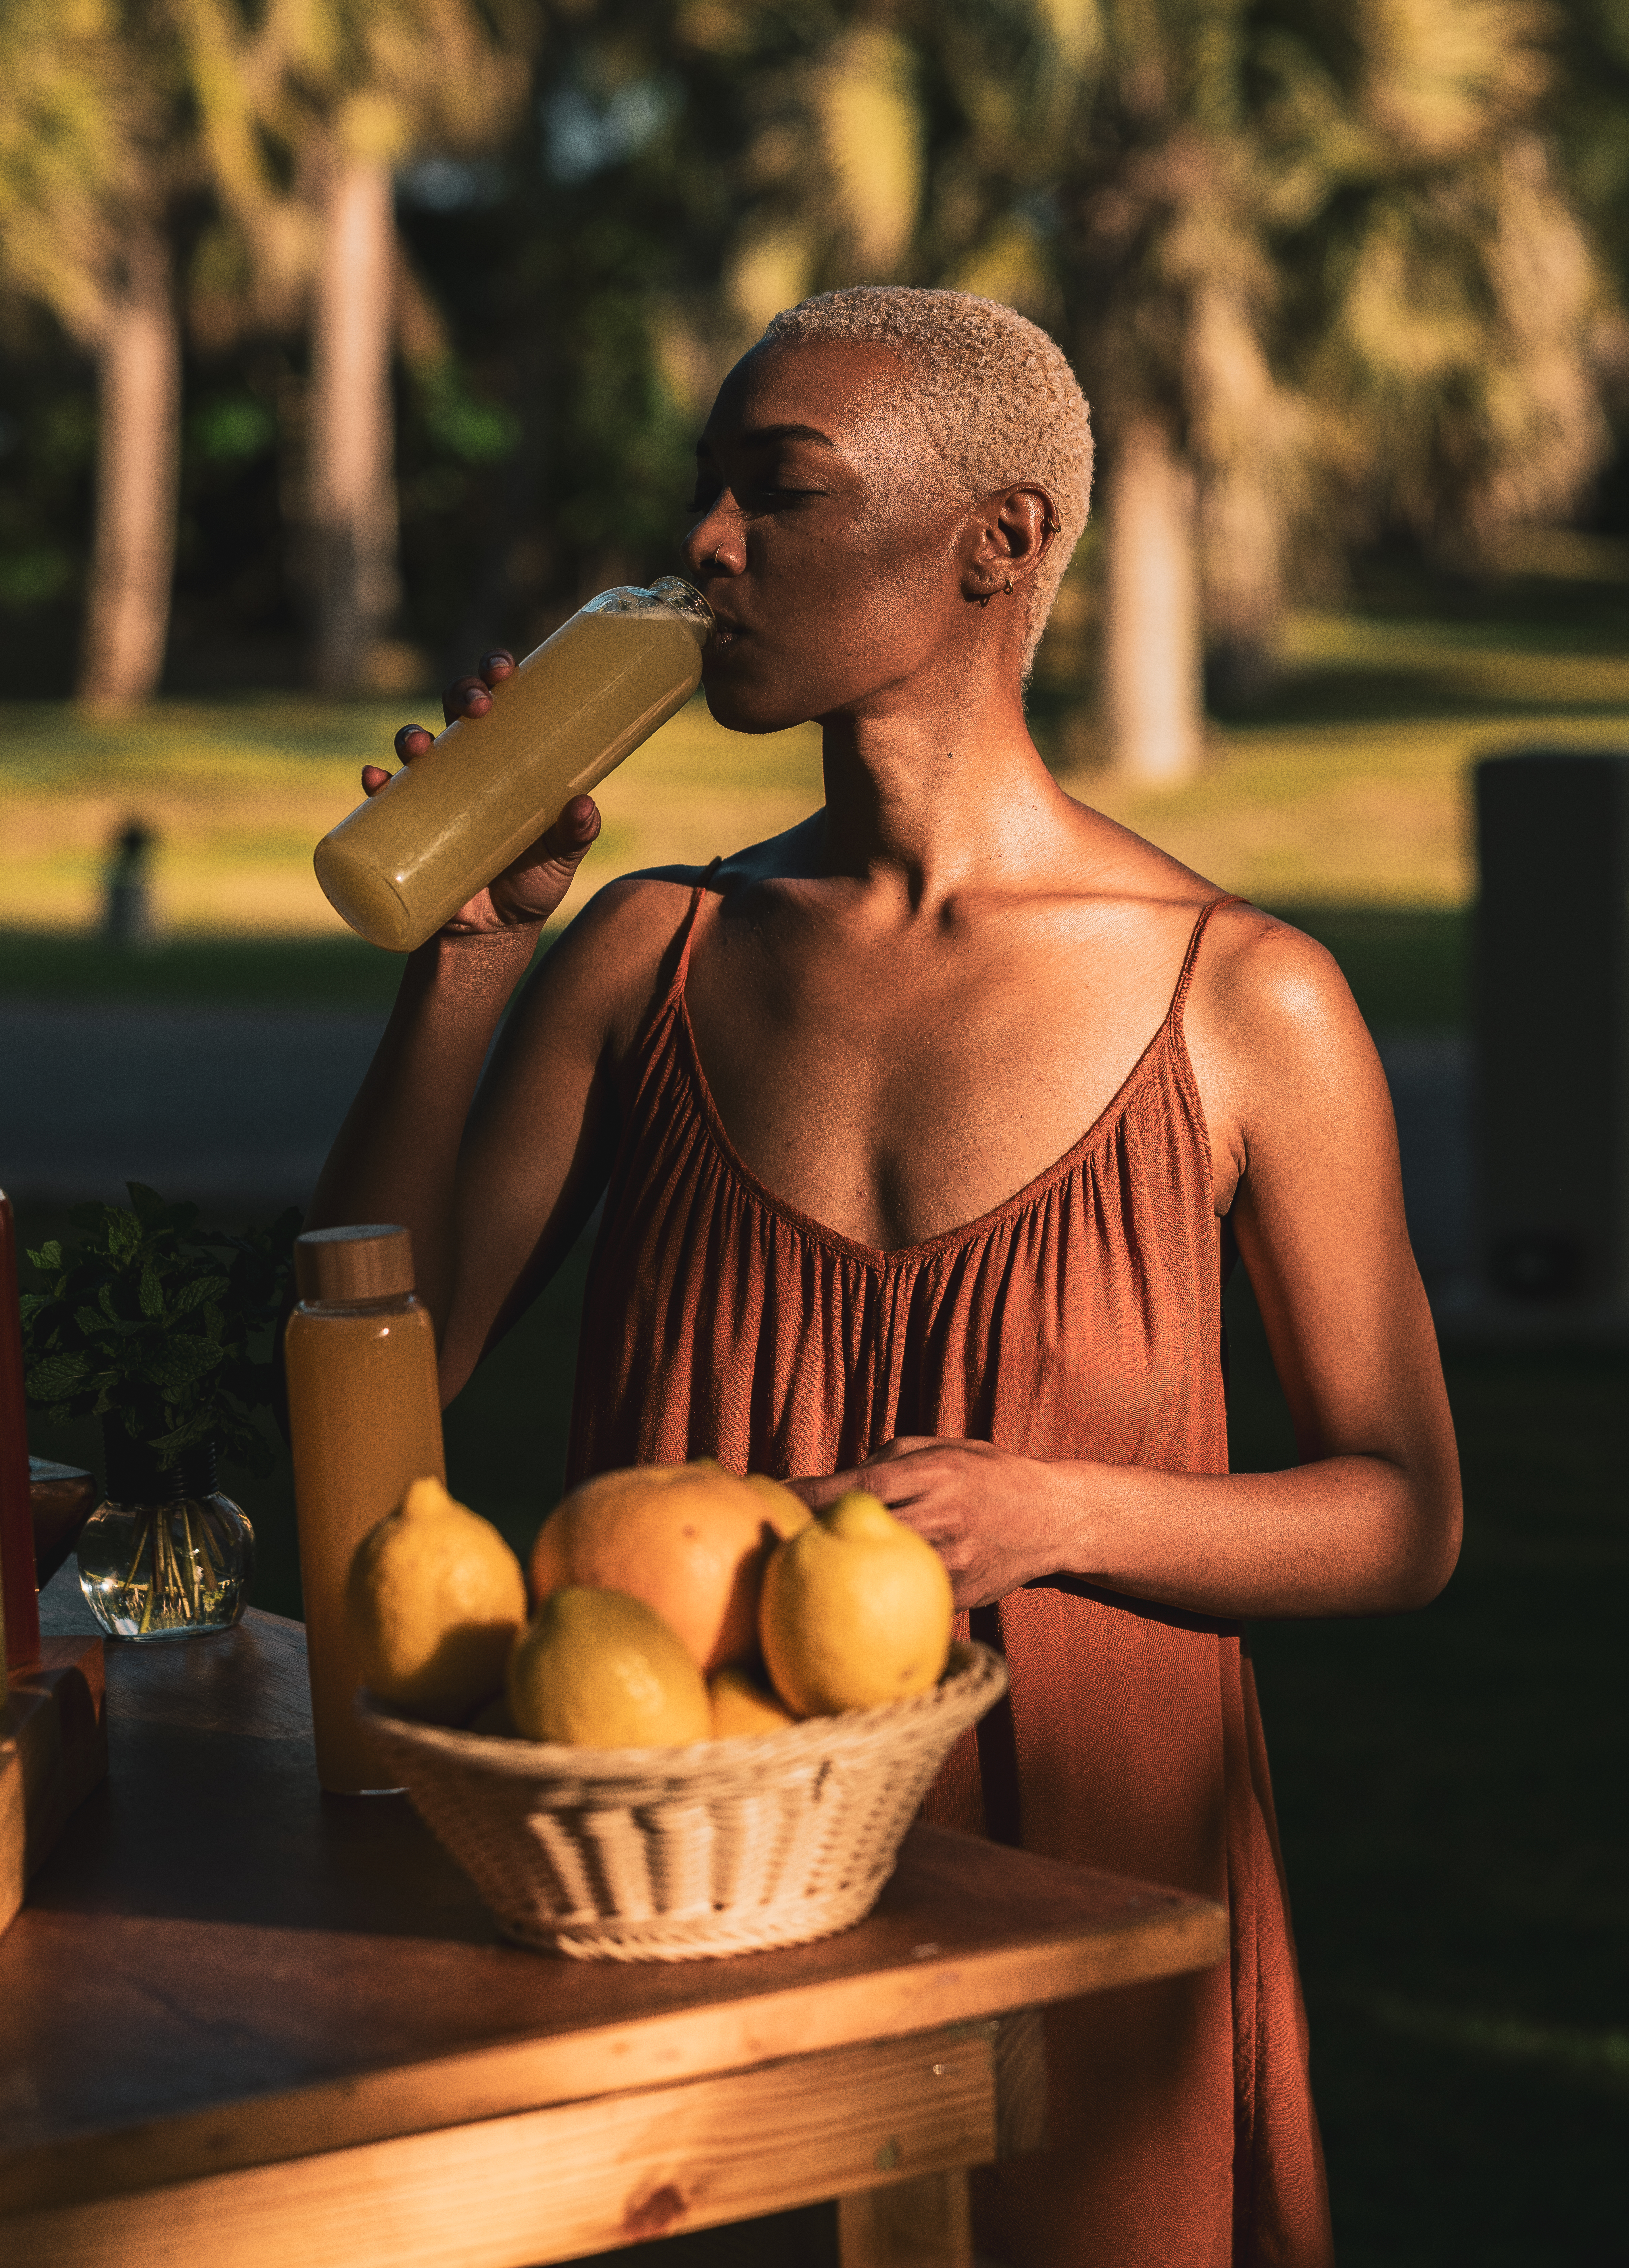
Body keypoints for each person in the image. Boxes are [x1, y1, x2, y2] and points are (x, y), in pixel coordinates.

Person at [312, 285, 1462, 2268]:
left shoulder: (1246, 998)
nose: (708, 547)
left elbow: (1403, 1518)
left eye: (782, 492)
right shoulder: (650, 953)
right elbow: (358, 1357)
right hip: (682, 1865)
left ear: (997, 544)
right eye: (710, 493)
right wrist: (471, 961)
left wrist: (1055, 1509)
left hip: (1088, 1869)